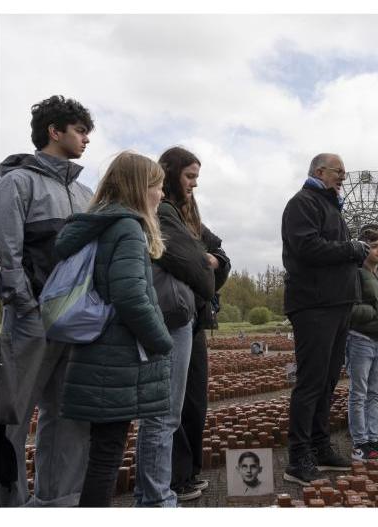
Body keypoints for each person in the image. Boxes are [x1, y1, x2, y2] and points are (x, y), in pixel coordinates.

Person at [53, 151, 176, 507]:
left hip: (98, 352)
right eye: (157, 186)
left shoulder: (100, 223)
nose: (161, 195)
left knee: (102, 452)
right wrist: (161, 341)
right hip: (118, 357)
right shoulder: (128, 228)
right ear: (140, 188)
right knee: (107, 457)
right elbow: (130, 295)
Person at [0, 95, 94, 507]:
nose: (86, 138)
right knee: (11, 421)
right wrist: (26, 307)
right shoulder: (17, 183)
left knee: (70, 417)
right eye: (79, 130)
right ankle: (7, 505)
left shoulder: (88, 192)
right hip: (30, 322)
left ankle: (60, 503)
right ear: (54, 132)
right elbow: (6, 252)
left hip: (76, 324)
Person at [281, 153, 368, 484]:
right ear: (319, 171)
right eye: (339, 172)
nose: (344, 177)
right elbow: (307, 248)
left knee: (328, 381)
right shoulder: (303, 203)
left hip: (337, 302)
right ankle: (298, 456)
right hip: (314, 304)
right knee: (311, 382)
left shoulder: (332, 206)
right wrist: (352, 249)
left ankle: (320, 446)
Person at [157, 146, 231, 501]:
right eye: (189, 177)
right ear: (169, 172)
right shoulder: (161, 211)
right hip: (174, 316)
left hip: (195, 316)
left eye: (197, 178)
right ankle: (172, 477)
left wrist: (212, 262)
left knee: (194, 400)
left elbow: (217, 254)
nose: (194, 185)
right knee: (174, 403)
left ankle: (187, 473)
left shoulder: (189, 215)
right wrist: (206, 265)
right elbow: (190, 262)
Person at [347, 229, 378, 461]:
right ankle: (360, 442)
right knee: (359, 393)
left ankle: (372, 438)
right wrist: (376, 313)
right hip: (361, 340)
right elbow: (350, 307)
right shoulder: (355, 273)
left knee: (375, 393)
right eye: (375, 245)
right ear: (363, 247)